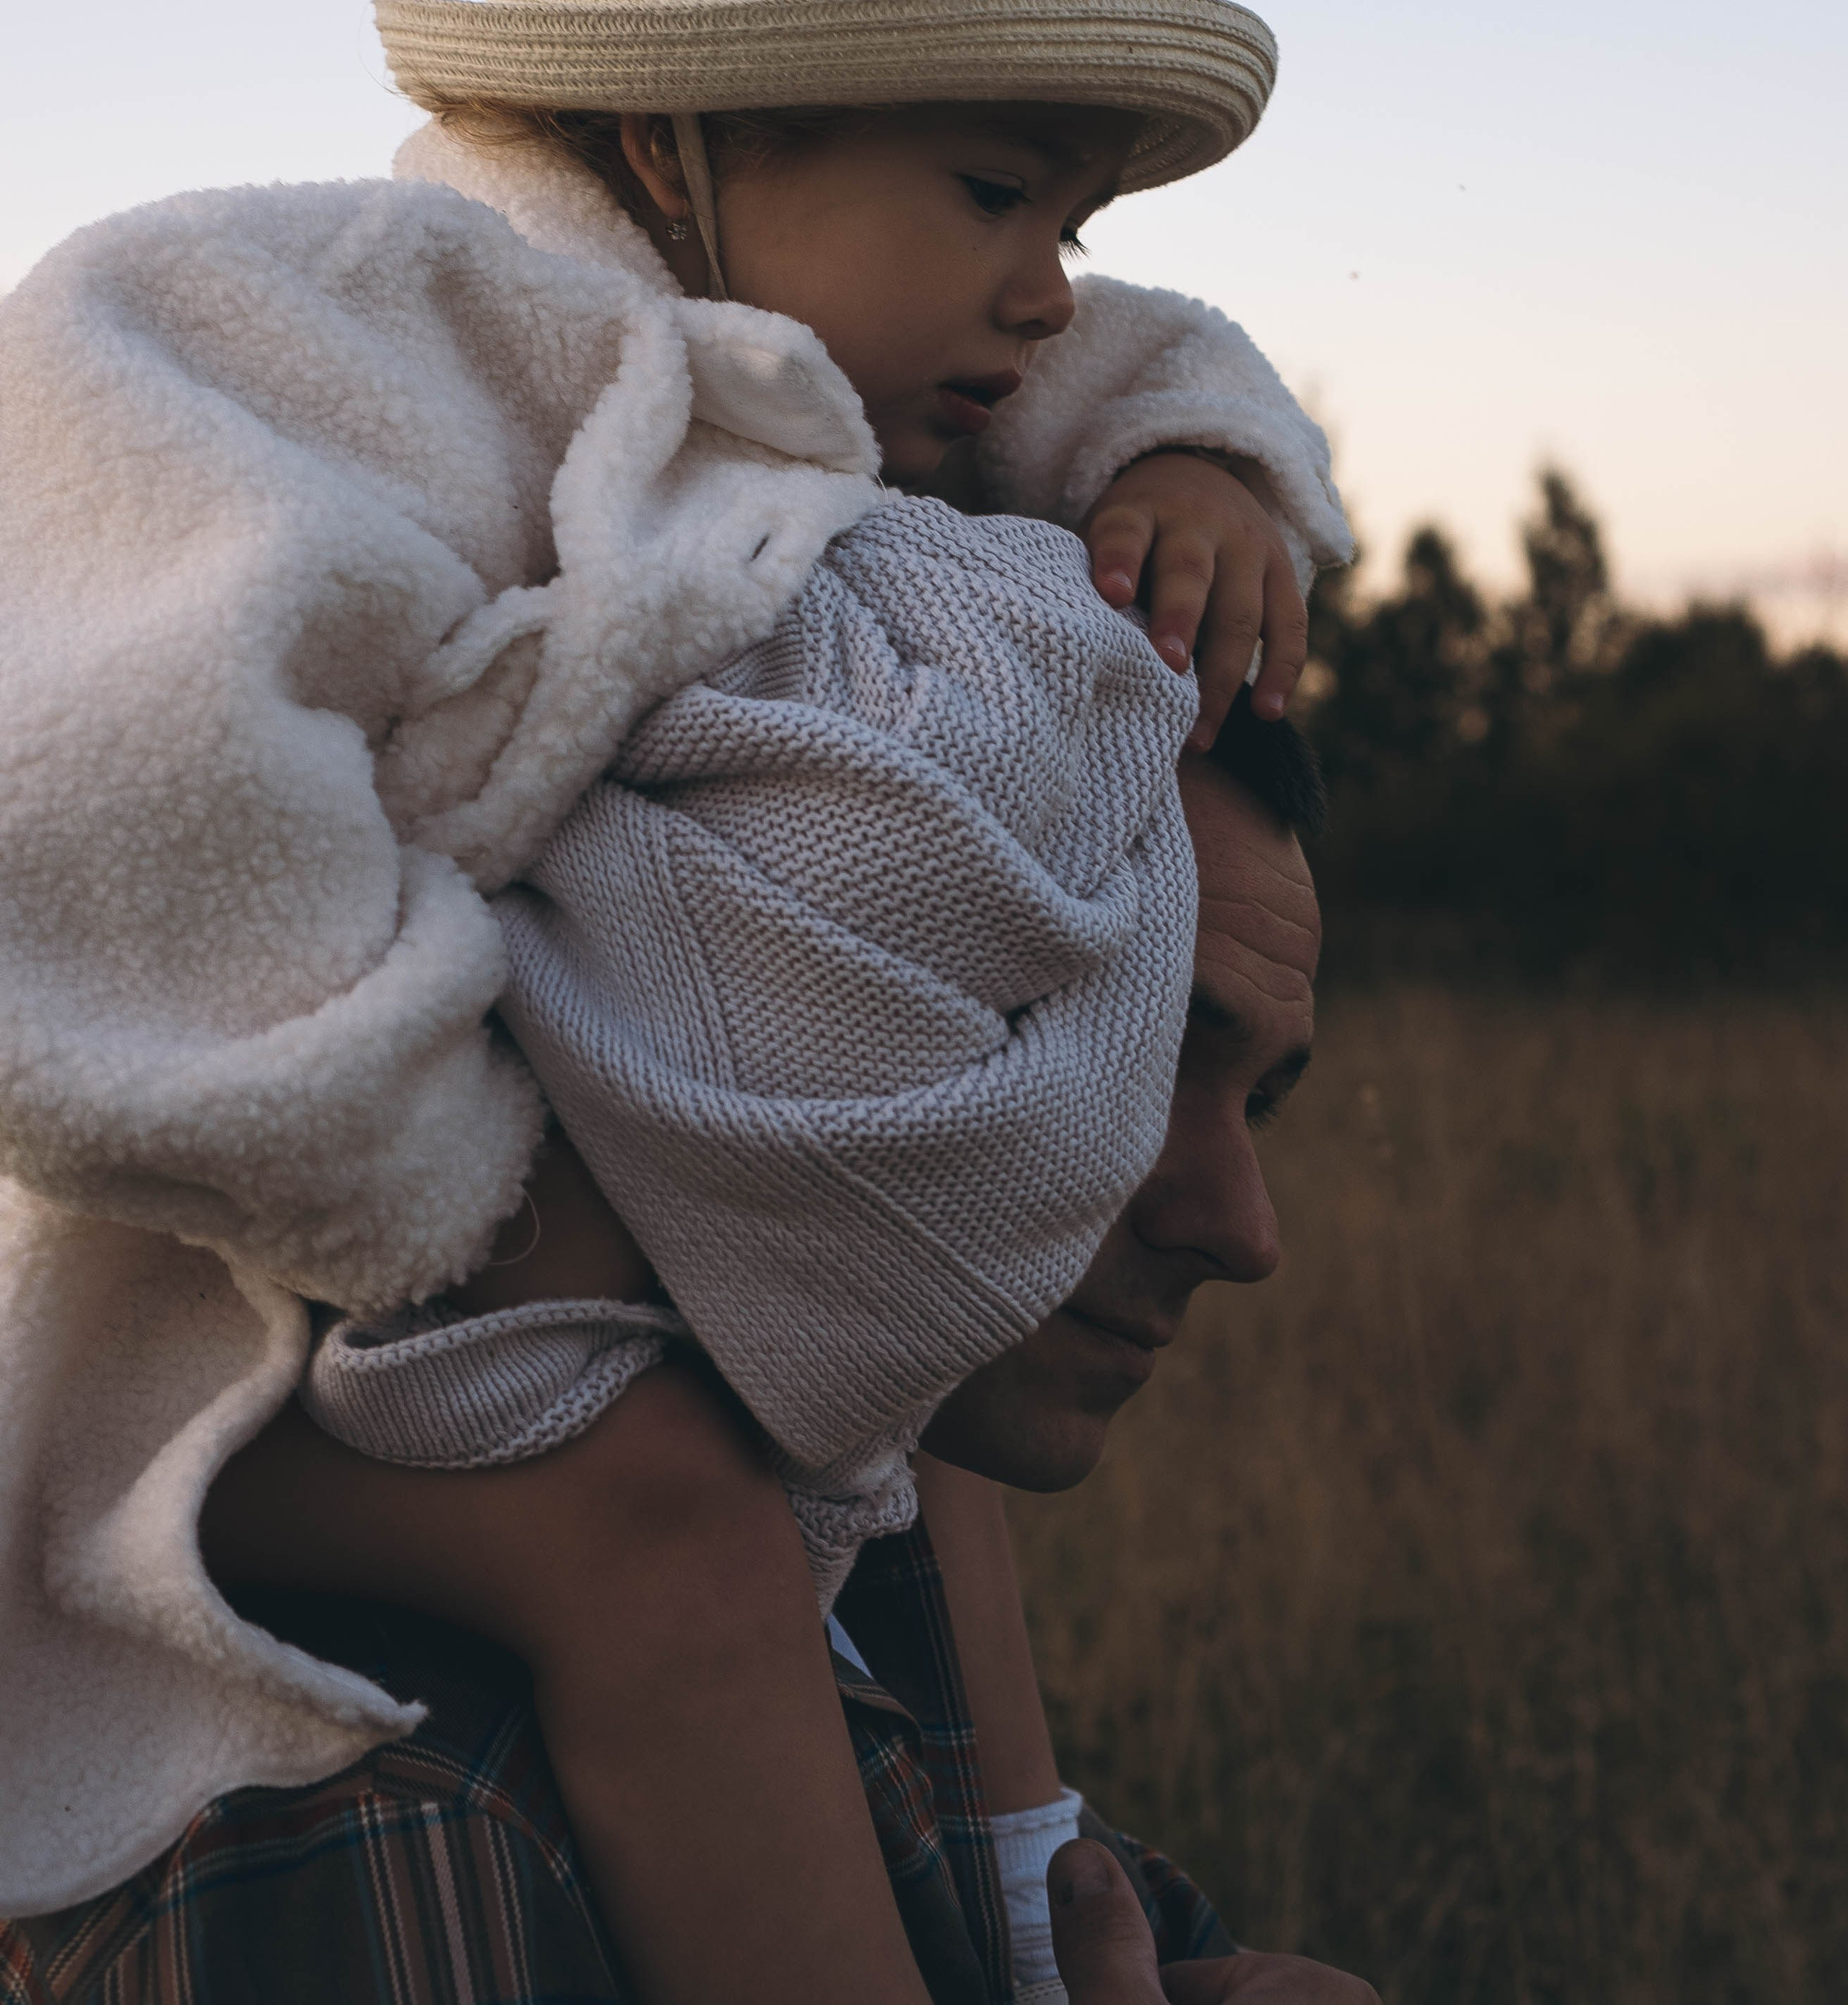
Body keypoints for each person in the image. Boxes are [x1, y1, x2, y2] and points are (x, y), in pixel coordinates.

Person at [0, 0, 1351, 1992]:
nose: (1052, 288)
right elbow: (116, 782)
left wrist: (1202, 459)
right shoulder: (375, 335)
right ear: (672, 139)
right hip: (226, 1300)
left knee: (897, 1307)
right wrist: (461, 1193)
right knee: (674, 1542)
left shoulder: (814, 392)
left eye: (1084, 210)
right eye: (1001, 189)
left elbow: (1094, 364)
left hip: (533, 1282)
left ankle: (1031, 1882)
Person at [0, 712, 1377, 2005]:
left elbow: (1068, 1907)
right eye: (1123, 1051)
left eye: (1258, 1100)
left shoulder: (865, 1548)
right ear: (771, 965)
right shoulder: (398, 1839)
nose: (1246, 1231)